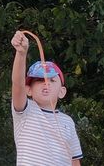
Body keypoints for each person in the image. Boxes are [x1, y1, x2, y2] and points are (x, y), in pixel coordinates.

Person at [11, 31, 83, 165]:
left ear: (62, 92)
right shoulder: (25, 112)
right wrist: (21, 54)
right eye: (39, 80)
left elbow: (75, 161)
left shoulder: (68, 122)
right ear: (28, 90)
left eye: (51, 80)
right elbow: (17, 84)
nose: (46, 82)